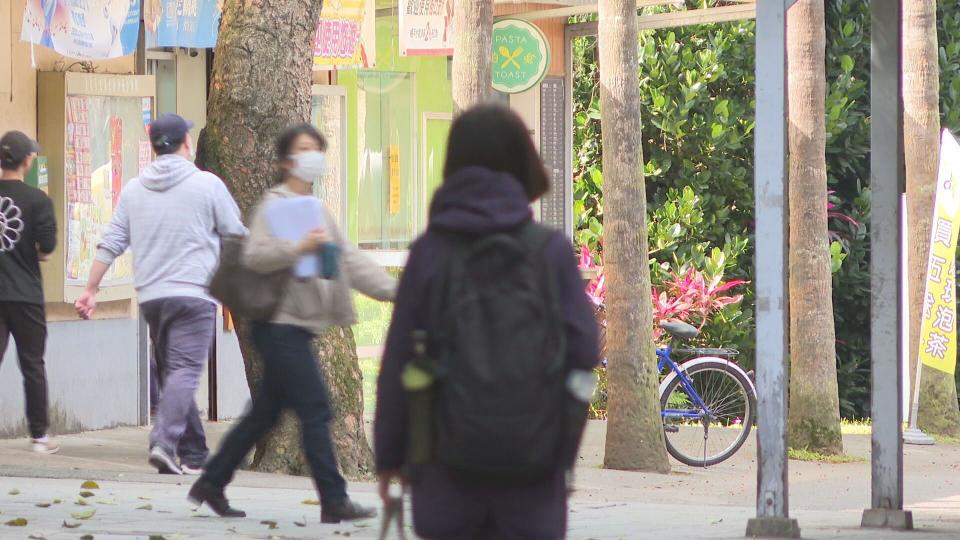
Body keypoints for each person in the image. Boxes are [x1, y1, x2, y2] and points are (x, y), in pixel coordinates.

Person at [374, 104, 600, 540]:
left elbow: (399, 359)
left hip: (443, 471)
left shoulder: (431, 252)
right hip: (532, 472)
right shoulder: (549, 251)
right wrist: (561, 451)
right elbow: (583, 352)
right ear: (522, 161)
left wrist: (389, 456)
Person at [188, 124, 396, 523]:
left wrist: (394, 291)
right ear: (286, 161)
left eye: (317, 149)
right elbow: (256, 256)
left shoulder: (317, 210)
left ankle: (212, 481)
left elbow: (348, 259)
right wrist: (298, 247)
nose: (312, 156)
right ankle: (334, 500)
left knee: (264, 414)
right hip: (279, 326)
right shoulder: (275, 204)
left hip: (301, 326)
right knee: (316, 408)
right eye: (303, 149)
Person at [74, 114, 247, 475]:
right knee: (184, 370)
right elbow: (235, 234)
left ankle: (195, 453)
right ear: (187, 142)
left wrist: (90, 289)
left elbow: (111, 243)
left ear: (154, 146)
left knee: (173, 374)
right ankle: (164, 442)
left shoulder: (135, 189)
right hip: (195, 293)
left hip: (152, 297)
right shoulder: (207, 185)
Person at [0, 130, 59, 454]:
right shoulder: (38, 200)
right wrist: (39, 250)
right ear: (25, 161)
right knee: (32, 364)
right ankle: (39, 436)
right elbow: (47, 245)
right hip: (26, 294)